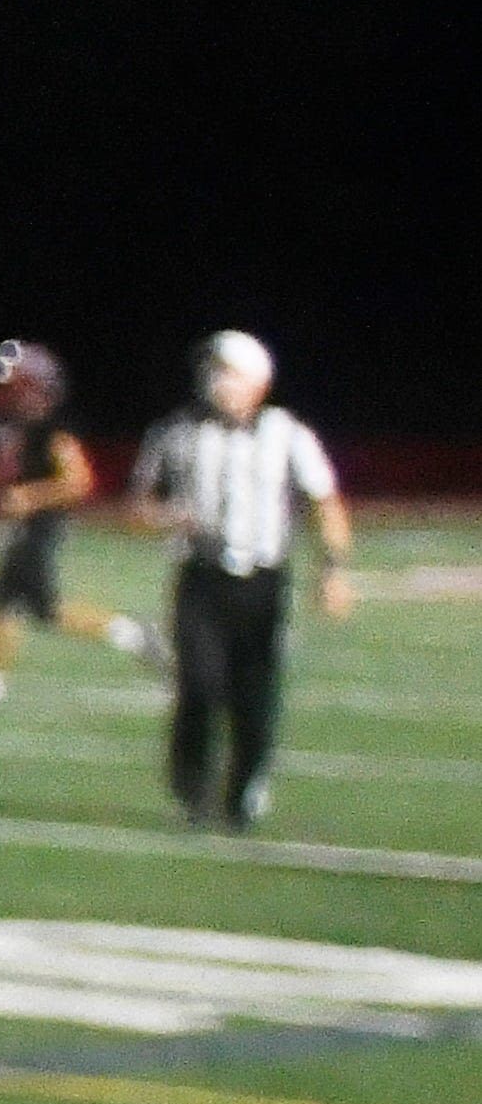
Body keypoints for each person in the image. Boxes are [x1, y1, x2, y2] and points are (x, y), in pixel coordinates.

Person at [130, 330, 352, 830]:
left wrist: (333, 570)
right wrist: (165, 517)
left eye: (229, 372)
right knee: (199, 684)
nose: (217, 382)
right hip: (201, 578)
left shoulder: (287, 433)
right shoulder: (176, 432)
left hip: (262, 581)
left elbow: (325, 501)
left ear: (257, 380)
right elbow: (138, 507)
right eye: (214, 371)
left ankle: (246, 786)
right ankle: (192, 785)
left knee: (254, 696)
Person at [0, 338, 154, 714]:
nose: (3, 393)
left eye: (13, 386)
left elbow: (80, 482)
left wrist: (30, 497)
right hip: (24, 527)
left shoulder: (54, 430)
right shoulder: (16, 428)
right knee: (16, 605)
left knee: (25, 605)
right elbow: (12, 473)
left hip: (41, 528)